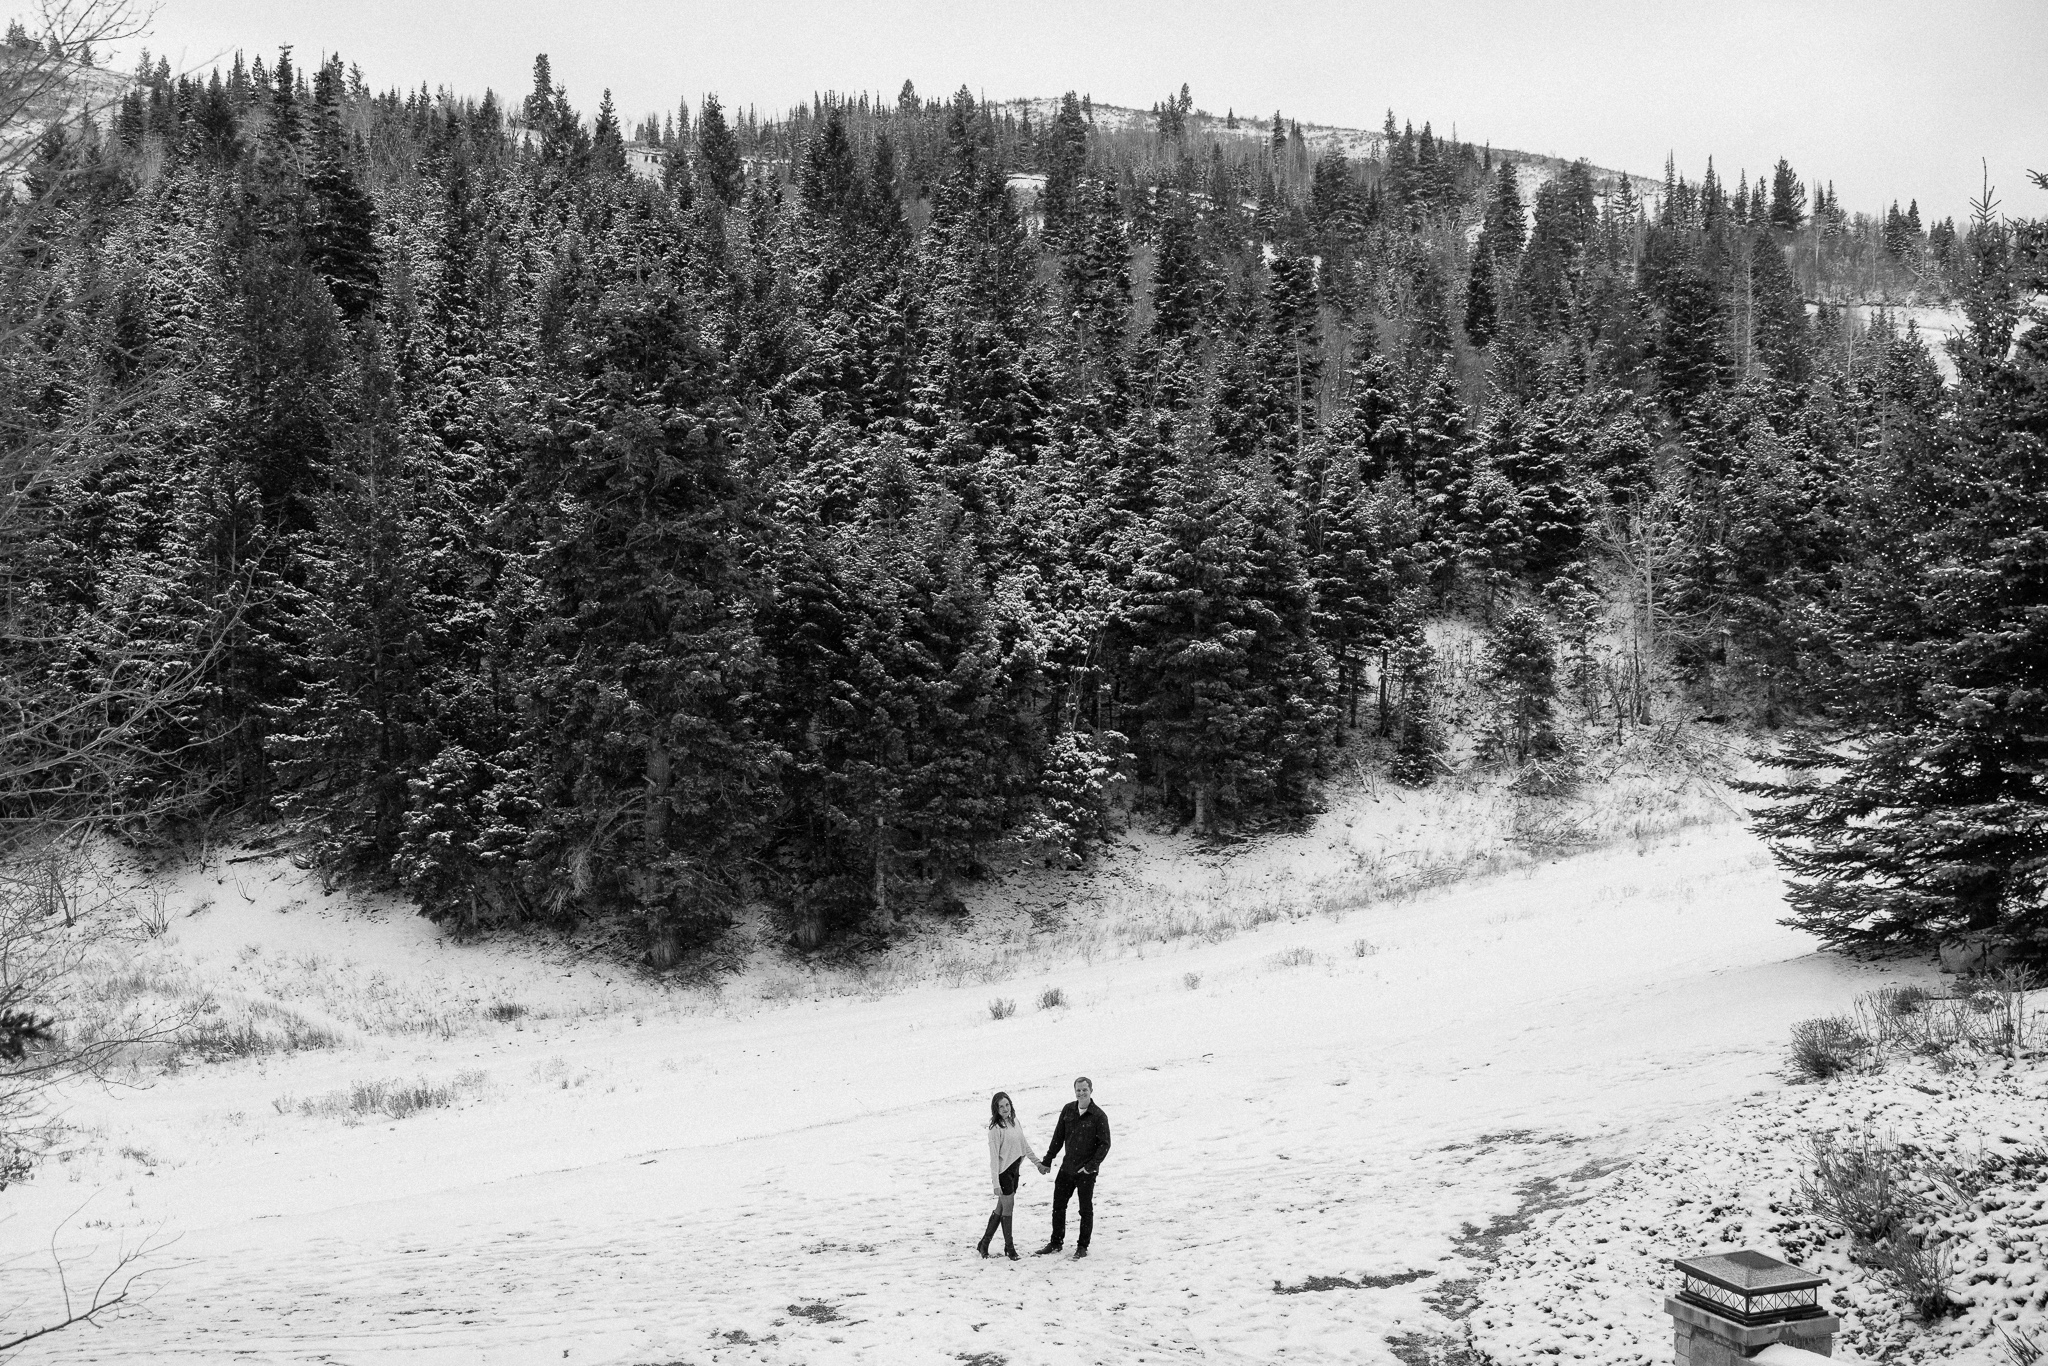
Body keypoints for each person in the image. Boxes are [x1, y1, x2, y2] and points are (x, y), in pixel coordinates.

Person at [1035, 1075, 1111, 1260]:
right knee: (1058, 1206)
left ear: (1091, 1091)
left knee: (1085, 1210)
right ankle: (1056, 1242)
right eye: (1078, 1090)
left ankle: (1082, 1246)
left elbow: (1105, 1144)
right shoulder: (1068, 1110)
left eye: (1085, 1089)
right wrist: (1047, 1160)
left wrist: (1091, 1166)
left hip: (1086, 1172)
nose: (1081, 1093)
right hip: (1067, 1168)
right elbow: (1058, 1137)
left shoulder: (1099, 1116)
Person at [978, 1091, 1047, 1259]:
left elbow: (1024, 1144)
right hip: (1003, 1174)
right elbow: (994, 1159)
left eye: (1007, 1105)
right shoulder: (995, 1130)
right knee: (1008, 1209)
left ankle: (984, 1243)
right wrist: (995, 1183)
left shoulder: (1015, 1121)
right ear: (995, 1109)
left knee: (1001, 1208)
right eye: (1001, 1106)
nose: (1005, 1108)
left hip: (1015, 1170)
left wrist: (1037, 1162)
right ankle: (1009, 1248)